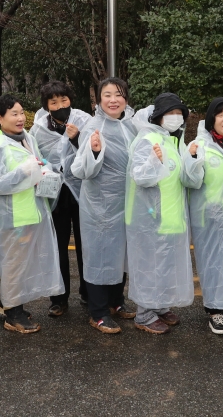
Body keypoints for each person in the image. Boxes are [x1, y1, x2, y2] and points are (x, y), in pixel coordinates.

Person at [0, 94, 64, 333]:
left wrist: (45, 169)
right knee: (13, 264)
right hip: (12, 216)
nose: (19, 118)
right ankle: (13, 314)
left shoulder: (25, 137)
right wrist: (25, 172)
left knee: (24, 264)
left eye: (21, 113)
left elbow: (37, 161)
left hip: (33, 210)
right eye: (13, 114)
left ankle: (10, 304)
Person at [71, 78, 137, 334]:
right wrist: (94, 152)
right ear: (98, 99)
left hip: (127, 201)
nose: (113, 99)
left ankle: (116, 302)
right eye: (107, 95)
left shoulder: (130, 126)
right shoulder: (93, 127)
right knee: (99, 254)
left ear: (126, 99)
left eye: (119, 95)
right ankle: (97, 311)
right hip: (100, 204)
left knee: (120, 253)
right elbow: (80, 169)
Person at [125, 93, 195, 334]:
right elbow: (141, 176)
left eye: (179, 113)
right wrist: (154, 162)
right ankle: (144, 313)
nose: (176, 118)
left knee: (165, 263)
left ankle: (160, 305)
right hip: (150, 216)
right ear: (158, 116)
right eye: (171, 113)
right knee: (149, 264)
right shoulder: (147, 139)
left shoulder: (172, 139)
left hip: (170, 214)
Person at [182, 97, 223, 335]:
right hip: (208, 216)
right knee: (211, 262)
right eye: (220, 114)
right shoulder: (202, 144)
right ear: (211, 119)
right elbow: (190, 180)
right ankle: (213, 310)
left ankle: (222, 303)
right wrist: (191, 158)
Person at [31, 81, 92, 316]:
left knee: (86, 245)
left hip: (82, 192)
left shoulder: (83, 121)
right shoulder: (38, 129)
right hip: (54, 193)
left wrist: (76, 139)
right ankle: (59, 298)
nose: (60, 105)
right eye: (53, 102)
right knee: (57, 247)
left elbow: (92, 154)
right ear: (46, 106)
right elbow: (36, 158)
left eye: (64, 100)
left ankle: (88, 293)